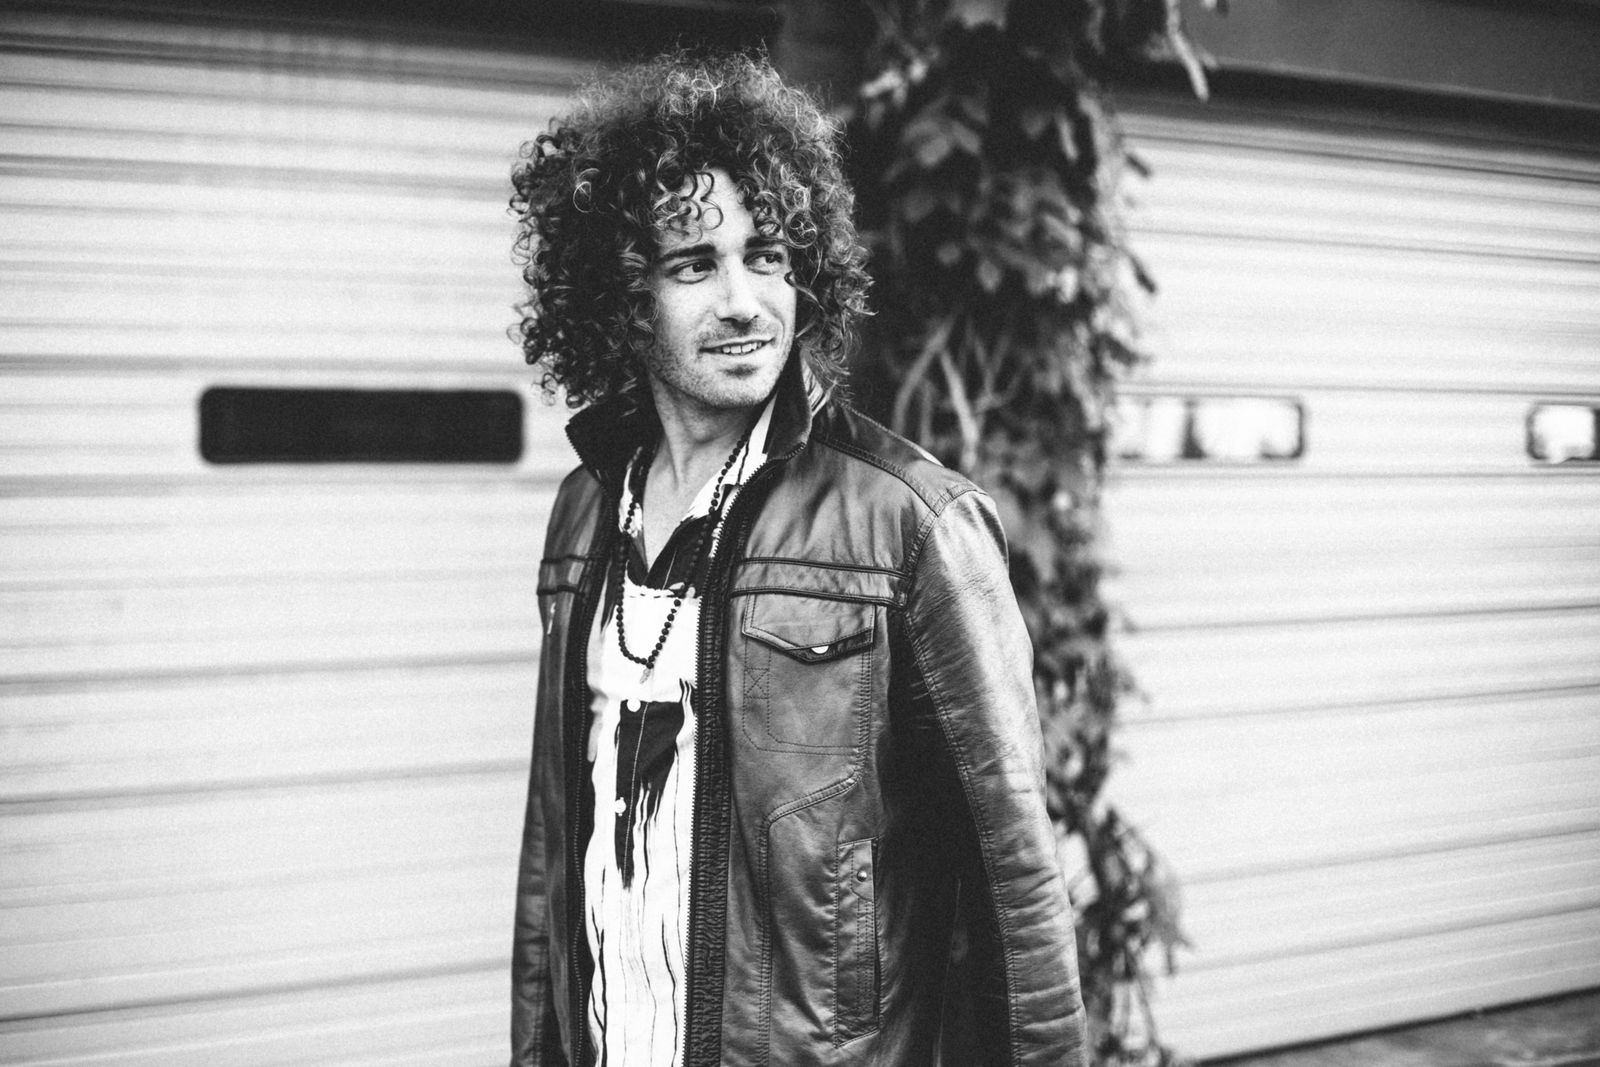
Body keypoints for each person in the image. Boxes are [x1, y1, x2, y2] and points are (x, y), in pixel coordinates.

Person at [509, 50, 1087, 1067]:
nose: (743, 300)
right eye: (695, 264)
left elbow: (1014, 889)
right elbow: (554, 854)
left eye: (767, 255)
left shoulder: (906, 524)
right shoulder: (585, 512)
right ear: (623, 295)